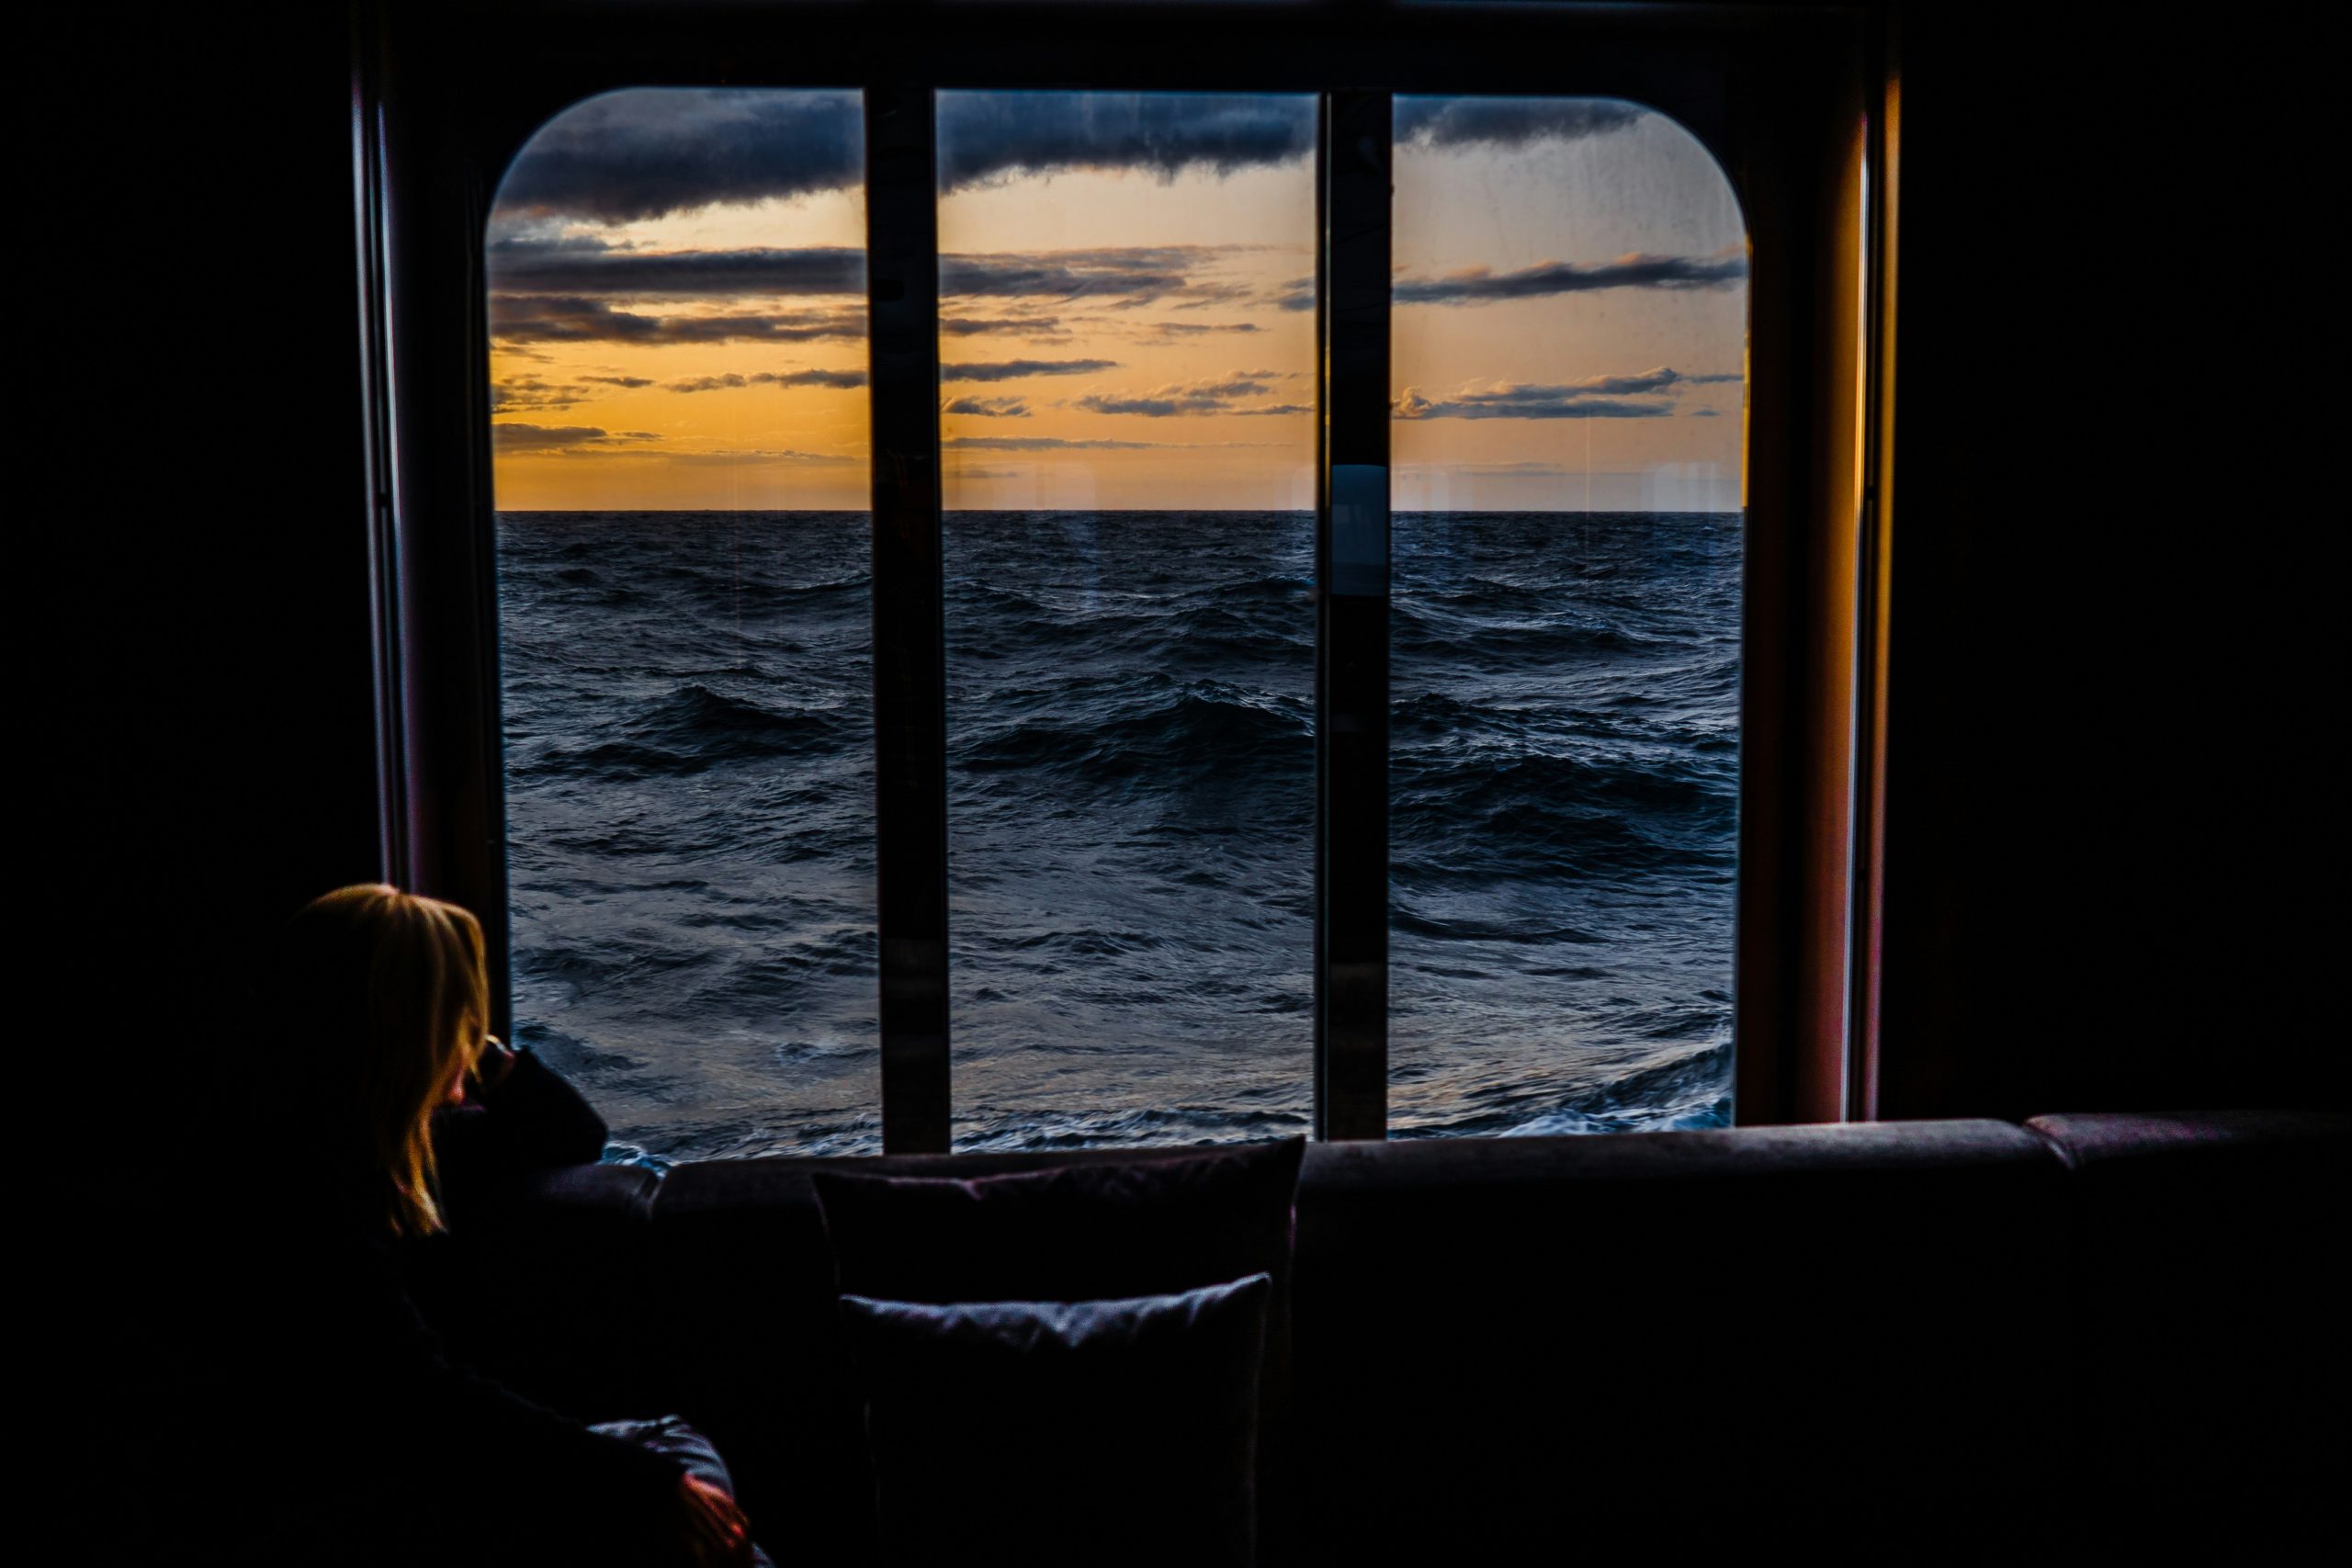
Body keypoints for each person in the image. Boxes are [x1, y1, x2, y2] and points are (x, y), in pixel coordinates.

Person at [207, 883, 764, 1566]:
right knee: (675, 1468)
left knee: (674, 1454)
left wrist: (487, 1054)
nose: (465, 1033)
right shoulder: (308, 1187)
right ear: (408, 1028)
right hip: (356, 1501)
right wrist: (644, 1487)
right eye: (453, 1014)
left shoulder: (391, 1145)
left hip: (400, 1475)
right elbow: (421, 1396)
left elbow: (571, 1132)